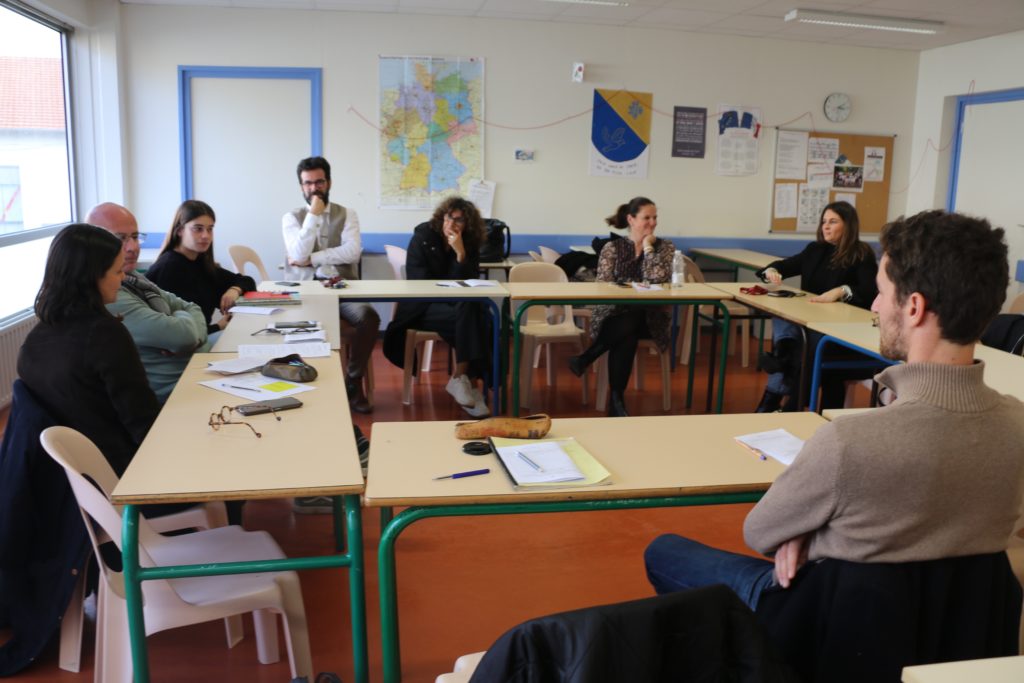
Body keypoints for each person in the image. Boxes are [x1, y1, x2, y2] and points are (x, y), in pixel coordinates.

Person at [644, 209, 1024, 613]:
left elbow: (760, 532)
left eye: (880, 290)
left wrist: (812, 540)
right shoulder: (1017, 425)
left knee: (664, 551)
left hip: (830, 619)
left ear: (913, 307)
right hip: (959, 638)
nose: (874, 303)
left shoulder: (849, 442)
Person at [18, 224, 159, 477]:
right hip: (124, 476)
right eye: (116, 271)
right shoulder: (105, 335)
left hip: (73, 479)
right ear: (92, 277)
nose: (123, 278)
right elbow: (143, 422)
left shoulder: (35, 339)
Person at [753, 201, 878, 412]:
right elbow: (783, 266)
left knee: (804, 347)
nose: (825, 227)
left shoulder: (861, 253)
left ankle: (784, 399)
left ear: (848, 225)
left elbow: (868, 293)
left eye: (833, 222)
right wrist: (772, 271)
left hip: (841, 330)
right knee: (785, 319)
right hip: (811, 324)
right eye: (823, 222)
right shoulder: (815, 249)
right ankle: (784, 367)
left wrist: (841, 291)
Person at [283, 156, 379, 413]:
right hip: (306, 292)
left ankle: (353, 380)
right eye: (308, 183)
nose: (314, 188)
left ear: (329, 182)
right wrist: (313, 215)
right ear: (301, 186)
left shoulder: (347, 214)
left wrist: (313, 258)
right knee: (309, 326)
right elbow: (298, 253)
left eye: (319, 182)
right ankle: (312, 387)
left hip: (343, 288)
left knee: (369, 318)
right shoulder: (291, 218)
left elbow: (352, 253)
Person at [86, 202, 208, 404]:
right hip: (174, 393)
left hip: (195, 368)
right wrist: (188, 331)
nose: (133, 247)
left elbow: (193, 308)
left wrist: (193, 335)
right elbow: (183, 336)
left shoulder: (134, 278)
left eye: (135, 237)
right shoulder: (109, 294)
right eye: (120, 239)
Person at [382, 196, 491, 417]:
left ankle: (462, 379)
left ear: (467, 225)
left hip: (454, 308)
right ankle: (470, 383)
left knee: (475, 311)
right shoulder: (423, 236)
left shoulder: (467, 242)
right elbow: (420, 283)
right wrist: (453, 293)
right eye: (449, 217)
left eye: (459, 221)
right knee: (479, 319)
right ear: (442, 215)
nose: (451, 224)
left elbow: (469, 282)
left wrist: (460, 254)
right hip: (421, 307)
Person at [567, 197, 673, 417]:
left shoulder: (664, 247)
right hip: (611, 314)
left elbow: (659, 277)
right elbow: (603, 287)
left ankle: (587, 358)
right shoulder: (612, 248)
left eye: (655, 218)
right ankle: (616, 401)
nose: (652, 223)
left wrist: (648, 248)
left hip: (651, 318)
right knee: (627, 326)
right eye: (647, 218)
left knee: (631, 321)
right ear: (631, 219)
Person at [145, 199, 255, 337]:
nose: (206, 236)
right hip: (187, 347)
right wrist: (218, 326)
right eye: (198, 229)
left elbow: (248, 281)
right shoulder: (169, 268)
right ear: (180, 231)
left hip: (201, 338)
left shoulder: (200, 263)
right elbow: (171, 334)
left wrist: (234, 290)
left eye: (210, 229)